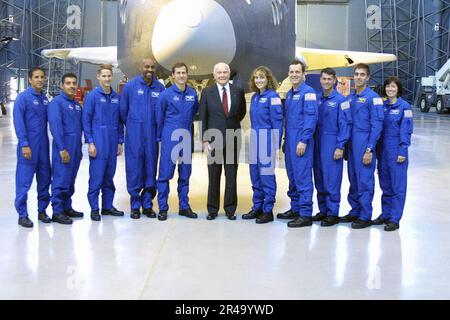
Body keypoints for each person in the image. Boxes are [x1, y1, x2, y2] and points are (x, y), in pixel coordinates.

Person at [199, 62, 246, 220]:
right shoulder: (207, 92)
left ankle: (230, 209)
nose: (222, 75)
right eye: (219, 72)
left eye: (225, 72)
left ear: (229, 73)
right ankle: (212, 209)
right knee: (214, 175)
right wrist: (205, 140)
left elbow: (241, 113)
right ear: (214, 75)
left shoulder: (238, 91)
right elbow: (203, 118)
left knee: (231, 175)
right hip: (213, 139)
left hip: (233, 137)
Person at [120, 58, 165, 219]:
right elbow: (123, 111)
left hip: (152, 136)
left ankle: (147, 204)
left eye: (152, 67)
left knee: (150, 169)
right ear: (140, 67)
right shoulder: (130, 87)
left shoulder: (159, 88)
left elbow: (161, 112)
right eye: (147, 66)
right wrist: (133, 125)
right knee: (134, 169)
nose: (150, 69)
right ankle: (135, 205)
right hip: (135, 135)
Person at [340, 63, 384, 229]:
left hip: (364, 144)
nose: (358, 77)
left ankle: (365, 215)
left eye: (362, 74)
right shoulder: (350, 98)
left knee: (365, 180)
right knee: (353, 179)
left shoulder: (374, 98)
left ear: (368, 77)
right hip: (351, 146)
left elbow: (377, 125)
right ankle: (355, 210)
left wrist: (369, 149)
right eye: (356, 74)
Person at [155, 62, 199, 221]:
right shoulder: (165, 95)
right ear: (173, 75)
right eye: (178, 73)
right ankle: (163, 207)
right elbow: (159, 117)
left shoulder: (193, 94)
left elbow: (194, 112)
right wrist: (160, 137)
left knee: (185, 173)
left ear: (187, 74)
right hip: (170, 136)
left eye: (184, 73)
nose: (181, 76)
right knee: (165, 173)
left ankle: (184, 206)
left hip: (186, 135)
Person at [278, 59, 318, 228]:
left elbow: (311, 118)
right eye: (291, 72)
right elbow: (289, 120)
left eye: (297, 72)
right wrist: (286, 139)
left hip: (302, 141)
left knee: (302, 178)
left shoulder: (308, 93)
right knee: (292, 177)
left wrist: (303, 140)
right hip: (290, 141)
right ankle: (295, 209)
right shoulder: (289, 94)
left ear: (303, 74)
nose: (294, 75)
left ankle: (305, 214)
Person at [82, 64, 125, 221]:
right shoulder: (92, 96)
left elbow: (120, 122)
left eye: (109, 76)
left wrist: (120, 142)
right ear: (98, 77)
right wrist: (90, 142)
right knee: (96, 177)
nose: (107, 78)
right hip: (98, 144)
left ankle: (107, 206)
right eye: (104, 76)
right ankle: (94, 208)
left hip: (112, 143)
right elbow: (86, 120)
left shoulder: (116, 97)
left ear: (111, 77)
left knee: (109, 177)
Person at [242, 66, 283, 224]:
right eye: (256, 78)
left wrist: (276, 145)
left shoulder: (273, 97)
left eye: (262, 77)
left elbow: (277, 123)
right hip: (254, 139)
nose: (259, 80)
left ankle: (267, 210)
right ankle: (257, 206)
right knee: (255, 175)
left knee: (266, 175)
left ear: (268, 79)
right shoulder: (254, 97)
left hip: (267, 140)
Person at [312, 68, 352, 227]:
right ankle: (323, 210)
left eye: (329, 79)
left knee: (332, 179)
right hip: (317, 142)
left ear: (335, 80)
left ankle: (332, 212)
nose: (326, 82)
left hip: (332, 142)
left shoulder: (342, 101)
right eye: (324, 79)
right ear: (320, 80)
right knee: (320, 177)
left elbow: (346, 124)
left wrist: (340, 146)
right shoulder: (317, 99)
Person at [13, 67, 52, 228]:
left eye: (42, 77)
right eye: (36, 77)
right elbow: (18, 122)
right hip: (28, 145)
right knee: (24, 181)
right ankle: (22, 214)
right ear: (30, 79)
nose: (40, 80)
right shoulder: (23, 98)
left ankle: (42, 211)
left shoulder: (44, 99)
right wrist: (24, 144)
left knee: (44, 179)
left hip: (43, 145)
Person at [373, 77, 413, 231]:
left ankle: (395, 219)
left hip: (397, 150)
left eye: (393, 87)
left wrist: (403, 149)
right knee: (385, 184)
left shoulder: (405, 107)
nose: (390, 89)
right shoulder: (382, 106)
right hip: (383, 151)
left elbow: (407, 130)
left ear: (398, 89)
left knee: (398, 186)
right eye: (388, 86)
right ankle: (386, 214)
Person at [48, 73, 84, 225]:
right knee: (60, 179)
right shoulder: (57, 103)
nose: (71, 86)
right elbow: (55, 127)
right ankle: (57, 211)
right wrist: (62, 149)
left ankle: (67, 207)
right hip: (63, 147)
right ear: (62, 85)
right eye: (68, 83)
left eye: (74, 83)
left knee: (70, 180)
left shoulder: (76, 105)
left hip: (75, 148)